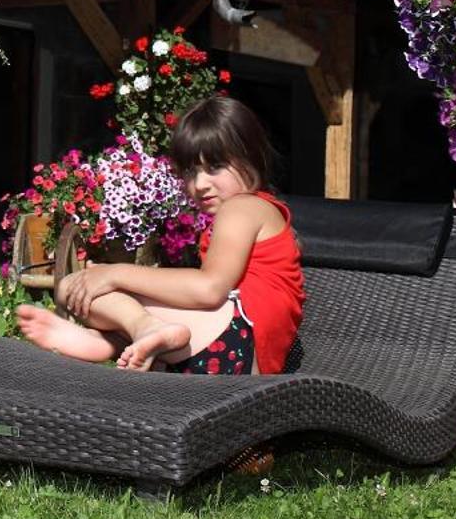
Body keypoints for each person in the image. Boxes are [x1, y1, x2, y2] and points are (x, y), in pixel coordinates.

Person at [16, 95, 305, 375]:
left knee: (74, 286)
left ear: (250, 157)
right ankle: (112, 340)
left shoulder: (242, 207)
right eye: (190, 172)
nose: (200, 184)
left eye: (215, 167)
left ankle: (131, 332)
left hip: (233, 343)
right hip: (238, 357)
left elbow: (210, 288)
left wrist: (115, 273)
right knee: (82, 286)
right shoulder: (258, 212)